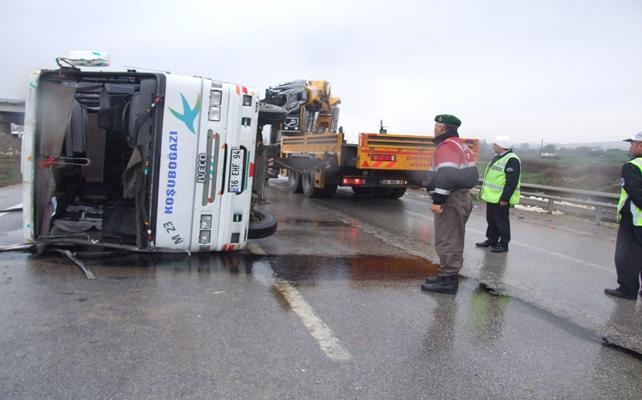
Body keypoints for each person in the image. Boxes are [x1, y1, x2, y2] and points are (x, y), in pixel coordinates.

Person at [421, 114, 479, 294]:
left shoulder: (447, 146)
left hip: (452, 199)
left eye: (436, 125)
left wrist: (438, 200)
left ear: (442, 127)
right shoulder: (460, 145)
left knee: (448, 239)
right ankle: (445, 275)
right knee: (451, 238)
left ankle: (448, 280)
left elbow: (447, 175)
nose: (434, 128)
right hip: (459, 196)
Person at [604, 131, 642, 300]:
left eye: (632, 143)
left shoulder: (632, 166)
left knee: (627, 255)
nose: (630, 146)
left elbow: (634, 192)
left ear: (640, 145)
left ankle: (628, 289)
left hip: (634, 219)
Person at [475, 136, 521, 253]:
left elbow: (512, 181)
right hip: (492, 196)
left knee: (502, 221)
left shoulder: (512, 159)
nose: (493, 146)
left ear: (501, 146)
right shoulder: (498, 157)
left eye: (494, 144)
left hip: (501, 198)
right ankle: (492, 239)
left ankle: (504, 243)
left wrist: (505, 198)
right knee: (491, 220)